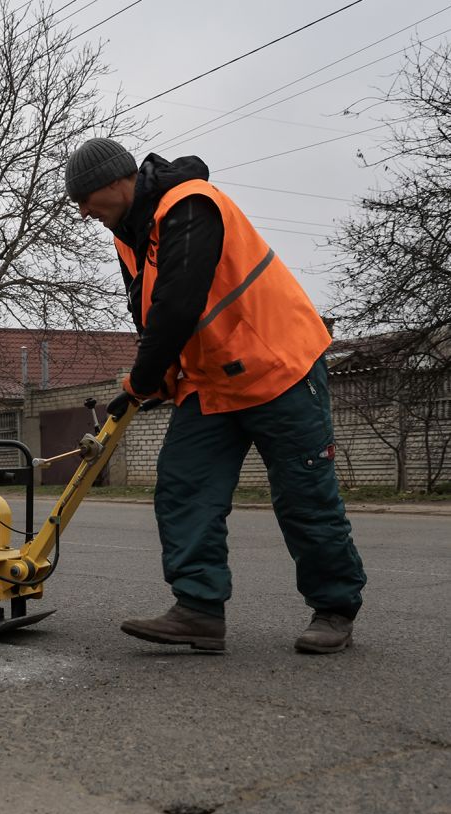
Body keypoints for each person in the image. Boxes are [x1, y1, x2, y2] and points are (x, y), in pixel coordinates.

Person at [63, 137, 366, 654]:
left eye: (86, 199)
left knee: (304, 497)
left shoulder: (190, 204)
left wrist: (141, 377)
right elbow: (151, 315)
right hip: (211, 381)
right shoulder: (128, 235)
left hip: (280, 367)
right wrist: (158, 378)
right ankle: (198, 610)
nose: (84, 211)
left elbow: (180, 304)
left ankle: (335, 609)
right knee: (184, 488)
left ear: (117, 182)